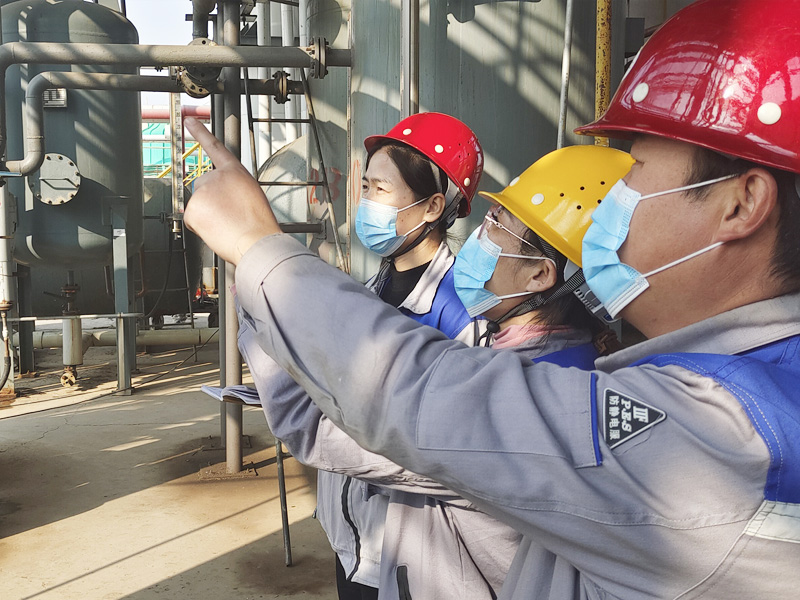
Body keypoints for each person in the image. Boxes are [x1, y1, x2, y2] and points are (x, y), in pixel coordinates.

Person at [184, 1, 800, 596]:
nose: (615, 205)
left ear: (741, 203)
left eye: (634, 170)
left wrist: (257, 250)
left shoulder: (721, 432)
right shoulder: (730, 378)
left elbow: (406, 399)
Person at [237, 146, 633, 599]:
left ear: (540, 276)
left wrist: (258, 263)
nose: (478, 237)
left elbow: (325, 429)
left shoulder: (525, 399)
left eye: (496, 226)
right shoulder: (550, 359)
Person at [263, 112, 484, 599]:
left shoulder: (460, 312)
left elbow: (448, 443)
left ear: (432, 207)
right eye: (364, 187)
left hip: (411, 548)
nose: (365, 202)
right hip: (350, 533)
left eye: (380, 189)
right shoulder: (367, 291)